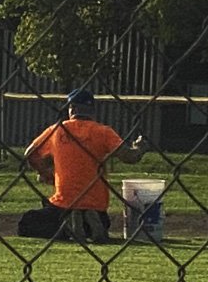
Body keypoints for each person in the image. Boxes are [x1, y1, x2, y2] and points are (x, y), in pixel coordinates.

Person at [19, 88, 148, 242]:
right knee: (100, 220)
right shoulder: (104, 132)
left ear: (71, 108)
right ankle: (88, 221)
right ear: (92, 111)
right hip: (96, 206)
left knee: (27, 223)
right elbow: (130, 157)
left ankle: (69, 224)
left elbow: (30, 154)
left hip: (63, 204)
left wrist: (46, 173)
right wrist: (140, 147)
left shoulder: (57, 130)